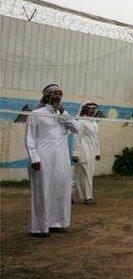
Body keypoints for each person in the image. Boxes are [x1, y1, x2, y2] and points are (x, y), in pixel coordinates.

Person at [25, 84, 80, 237]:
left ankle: (57, 223)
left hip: (62, 157)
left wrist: (63, 115)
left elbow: (77, 129)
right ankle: (39, 227)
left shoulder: (64, 114)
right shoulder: (36, 114)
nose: (57, 97)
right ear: (47, 96)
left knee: (61, 189)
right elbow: (30, 138)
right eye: (54, 94)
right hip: (43, 157)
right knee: (42, 190)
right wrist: (34, 158)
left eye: (59, 95)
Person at [71, 102, 101, 204]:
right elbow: (76, 137)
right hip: (82, 151)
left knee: (79, 175)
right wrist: (75, 153)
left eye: (93, 109)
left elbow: (96, 139)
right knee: (85, 174)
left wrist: (97, 152)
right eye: (89, 109)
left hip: (91, 151)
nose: (92, 111)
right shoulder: (81, 122)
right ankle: (88, 198)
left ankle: (69, 195)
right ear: (84, 110)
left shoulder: (94, 123)